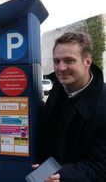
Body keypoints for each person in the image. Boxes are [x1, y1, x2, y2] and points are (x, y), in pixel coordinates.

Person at [37, 32, 106, 181]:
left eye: (69, 61)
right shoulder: (58, 90)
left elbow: (100, 168)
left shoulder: (103, 104)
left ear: (87, 61)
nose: (61, 68)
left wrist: (61, 175)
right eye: (56, 61)